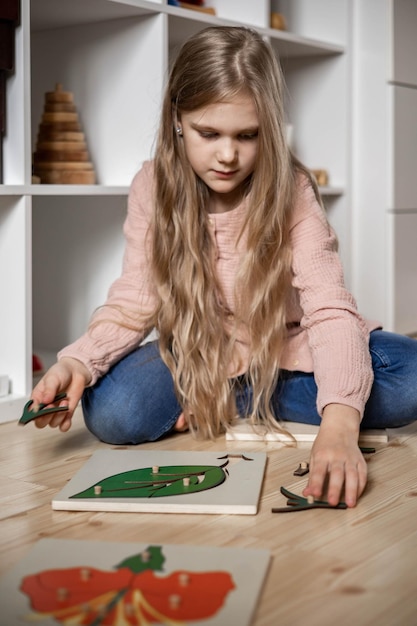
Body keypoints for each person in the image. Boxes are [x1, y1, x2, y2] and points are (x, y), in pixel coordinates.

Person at [29, 26, 417, 509]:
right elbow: (134, 299)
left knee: (409, 376)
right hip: (199, 359)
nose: (228, 155)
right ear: (177, 120)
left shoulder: (292, 189)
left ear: (268, 129)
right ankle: (234, 395)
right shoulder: (151, 186)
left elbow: (331, 308)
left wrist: (340, 427)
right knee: (114, 412)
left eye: (247, 136)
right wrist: (76, 361)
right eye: (208, 134)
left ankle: (252, 399)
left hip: (288, 350)